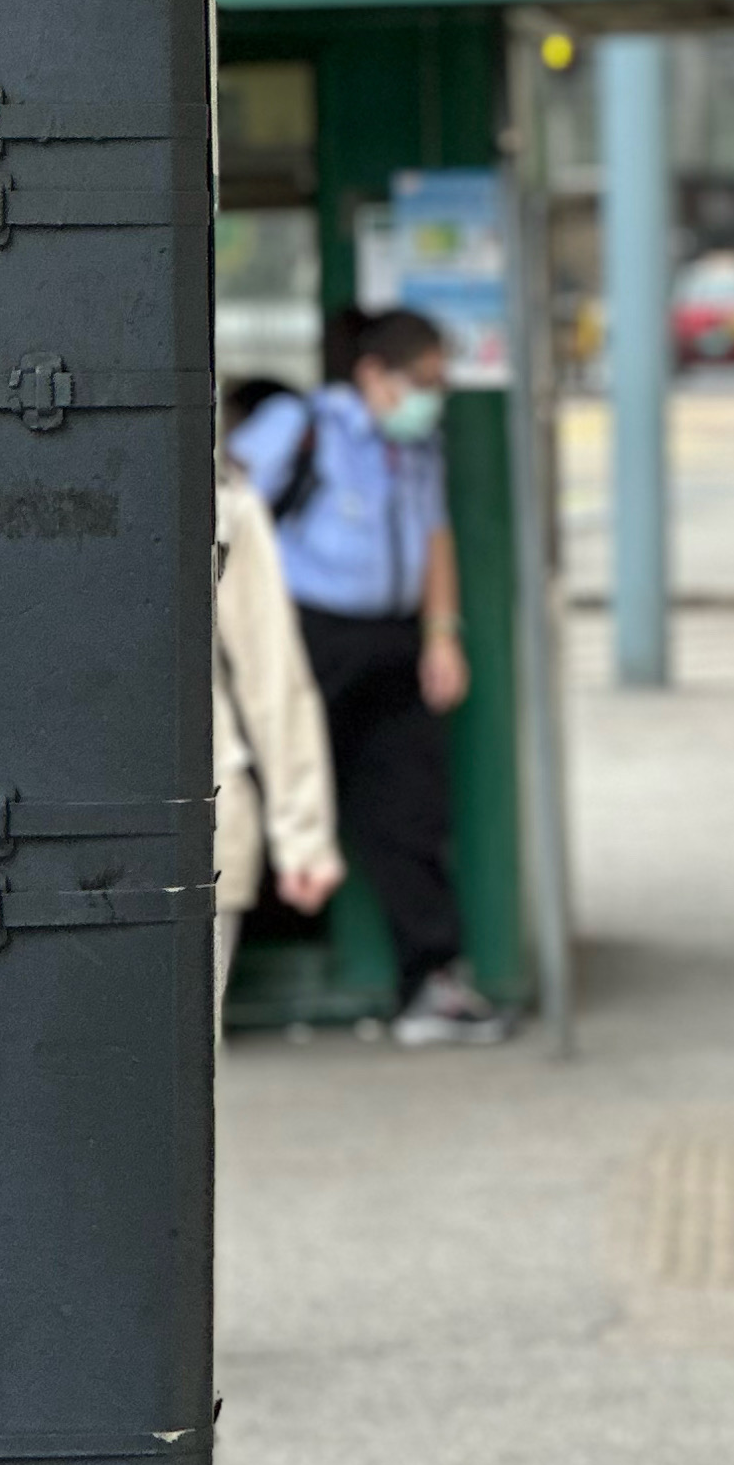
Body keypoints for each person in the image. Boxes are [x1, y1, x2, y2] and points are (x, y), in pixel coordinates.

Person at [228, 308, 509, 1047]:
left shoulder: (415, 446)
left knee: (409, 810)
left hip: (395, 639)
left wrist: (441, 633)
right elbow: (225, 508)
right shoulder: (301, 426)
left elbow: (436, 534)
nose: (432, 399)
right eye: (423, 383)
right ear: (374, 375)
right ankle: (234, 976)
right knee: (276, 787)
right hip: (306, 636)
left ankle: (431, 984)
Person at [212, 455, 343, 1026]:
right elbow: (273, 679)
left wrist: (304, 837)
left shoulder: (222, 499)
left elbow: (273, 680)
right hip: (198, 811)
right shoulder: (218, 495)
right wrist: (303, 838)